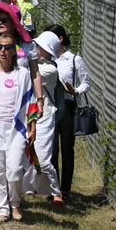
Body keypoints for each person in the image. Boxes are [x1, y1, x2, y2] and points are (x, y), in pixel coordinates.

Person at [0, 33, 38, 223]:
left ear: (14, 51)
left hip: (17, 128)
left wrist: (32, 126)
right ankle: (3, 209)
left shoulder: (22, 74)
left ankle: (15, 202)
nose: (3, 51)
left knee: (14, 170)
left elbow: (30, 101)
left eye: (8, 47)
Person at [0, 2, 44, 121]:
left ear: (14, 23)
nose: (0, 23)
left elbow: (35, 74)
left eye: (4, 20)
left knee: (24, 133)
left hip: (21, 98)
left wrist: (39, 99)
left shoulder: (28, 46)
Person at [47, 25, 90, 197]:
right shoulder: (46, 58)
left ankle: (65, 189)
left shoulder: (73, 59)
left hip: (67, 106)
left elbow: (86, 82)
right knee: (51, 149)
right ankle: (53, 187)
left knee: (67, 148)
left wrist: (76, 91)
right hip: (51, 106)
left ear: (60, 39)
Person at [23, 31, 64, 205]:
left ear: (46, 50)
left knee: (43, 158)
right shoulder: (34, 63)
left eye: (37, 46)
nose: (34, 48)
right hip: (26, 113)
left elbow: (30, 74)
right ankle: (28, 188)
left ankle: (56, 192)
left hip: (44, 115)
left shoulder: (49, 69)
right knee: (25, 155)